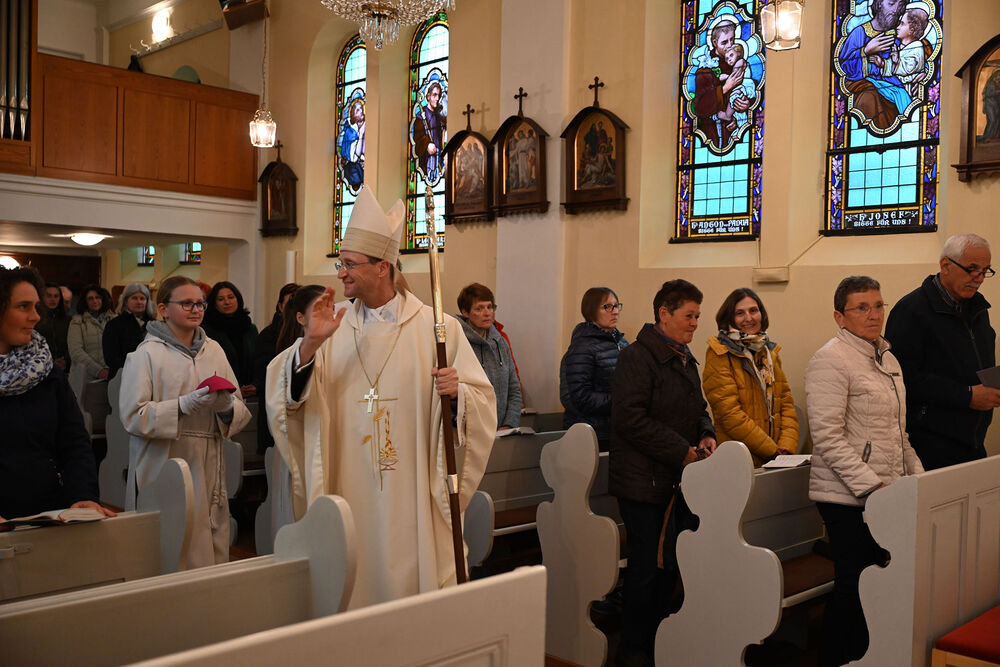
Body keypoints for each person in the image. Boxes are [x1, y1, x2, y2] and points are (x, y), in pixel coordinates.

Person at [265, 185, 496, 609]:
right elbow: (288, 399)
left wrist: (457, 394)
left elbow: (481, 401)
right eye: (340, 263)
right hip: (347, 487)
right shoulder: (331, 331)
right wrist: (309, 346)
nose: (340, 273)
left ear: (382, 267)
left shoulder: (438, 328)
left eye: (349, 264)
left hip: (414, 492)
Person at [806, 275, 923, 666]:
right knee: (853, 585)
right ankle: (835, 659)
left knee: (878, 584)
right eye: (862, 307)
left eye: (878, 305)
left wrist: (920, 481)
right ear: (840, 316)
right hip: (846, 497)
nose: (874, 315)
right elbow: (827, 437)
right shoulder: (830, 359)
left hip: (886, 494)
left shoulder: (888, 359)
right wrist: (873, 488)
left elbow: (898, 434)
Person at [610, 279, 716, 667]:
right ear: (664, 314)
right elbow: (630, 419)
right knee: (646, 570)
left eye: (698, 316)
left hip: (676, 480)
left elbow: (698, 408)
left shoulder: (683, 357)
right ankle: (633, 650)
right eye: (689, 316)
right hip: (644, 483)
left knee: (669, 566)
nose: (695, 324)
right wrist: (680, 451)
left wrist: (706, 434)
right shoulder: (636, 358)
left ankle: (661, 643)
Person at [120, 276, 251, 569]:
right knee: (172, 545)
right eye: (187, 303)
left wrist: (226, 407)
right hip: (166, 460)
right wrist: (181, 406)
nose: (196, 309)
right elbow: (133, 416)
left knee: (209, 542)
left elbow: (239, 406)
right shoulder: (146, 355)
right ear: (163, 309)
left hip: (209, 459)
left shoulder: (214, 350)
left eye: (200, 304)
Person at [0, 267, 115, 522]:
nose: (35, 317)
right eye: (23, 307)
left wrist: (83, 495)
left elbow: (74, 441)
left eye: (36, 307)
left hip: (46, 512)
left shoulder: (44, 370)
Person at [885, 233, 999, 470]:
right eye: (972, 269)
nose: (979, 279)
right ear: (946, 265)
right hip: (929, 445)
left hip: (973, 441)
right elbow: (902, 378)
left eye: (985, 271)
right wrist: (967, 395)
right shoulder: (911, 310)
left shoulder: (978, 308)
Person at [702, 288, 798, 467]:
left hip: (776, 459)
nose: (749, 318)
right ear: (729, 318)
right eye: (740, 313)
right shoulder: (719, 353)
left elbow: (786, 405)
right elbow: (729, 414)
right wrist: (771, 450)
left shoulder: (769, 352)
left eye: (753, 310)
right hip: (739, 460)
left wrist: (786, 448)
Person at [559, 287, 628, 450]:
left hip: (619, 428)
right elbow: (580, 397)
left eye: (616, 306)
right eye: (607, 307)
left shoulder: (622, 343)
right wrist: (621, 400)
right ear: (591, 311)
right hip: (594, 433)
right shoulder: (582, 347)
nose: (615, 311)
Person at [835, 0, 910, 131]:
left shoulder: (901, 33)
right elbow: (844, 66)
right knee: (869, 97)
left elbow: (913, 60)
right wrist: (865, 51)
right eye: (891, 3)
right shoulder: (859, 33)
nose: (896, 10)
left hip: (893, 88)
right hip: (862, 86)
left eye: (901, 5)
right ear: (879, 3)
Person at [457, 283, 521, 430]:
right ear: (465, 312)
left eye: (490, 307)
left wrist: (509, 424)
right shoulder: (458, 342)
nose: (487, 313)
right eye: (479, 308)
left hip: (503, 430)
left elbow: (514, 389)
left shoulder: (500, 342)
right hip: (472, 431)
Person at [253, 282, 300, 455]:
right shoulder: (268, 335)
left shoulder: (307, 332)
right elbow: (266, 373)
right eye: (289, 303)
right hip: (276, 404)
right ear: (280, 306)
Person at [67, 284, 114, 433]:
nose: (95, 301)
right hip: (87, 378)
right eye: (90, 298)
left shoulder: (114, 319)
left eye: (98, 297)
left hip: (111, 377)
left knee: (110, 422)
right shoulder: (78, 322)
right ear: (85, 301)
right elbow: (76, 352)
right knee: (87, 423)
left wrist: (111, 370)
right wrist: (99, 371)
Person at [202, 281, 258, 397]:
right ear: (214, 303)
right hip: (221, 392)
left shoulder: (250, 328)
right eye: (221, 299)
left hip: (250, 391)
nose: (227, 302)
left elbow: (257, 358)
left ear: (238, 299)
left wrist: (256, 384)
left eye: (231, 297)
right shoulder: (206, 330)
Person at [102, 282, 155, 379]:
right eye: (134, 298)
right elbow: (110, 358)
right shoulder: (114, 324)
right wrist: (135, 369)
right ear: (126, 301)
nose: (139, 302)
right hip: (122, 376)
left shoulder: (154, 325)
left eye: (142, 298)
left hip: (150, 376)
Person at [413, 81, 446, 183]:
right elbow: (417, 138)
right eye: (434, 95)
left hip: (439, 159)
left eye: (439, 95)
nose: (437, 98)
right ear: (428, 97)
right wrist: (427, 144)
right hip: (426, 159)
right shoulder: (421, 116)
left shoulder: (439, 117)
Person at [36, 282, 72, 371]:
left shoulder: (68, 320)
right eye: (49, 296)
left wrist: (65, 360)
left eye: (56, 296)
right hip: (41, 366)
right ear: (42, 297)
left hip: (65, 366)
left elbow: (72, 343)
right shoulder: (35, 319)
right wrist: (50, 361)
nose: (53, 299)